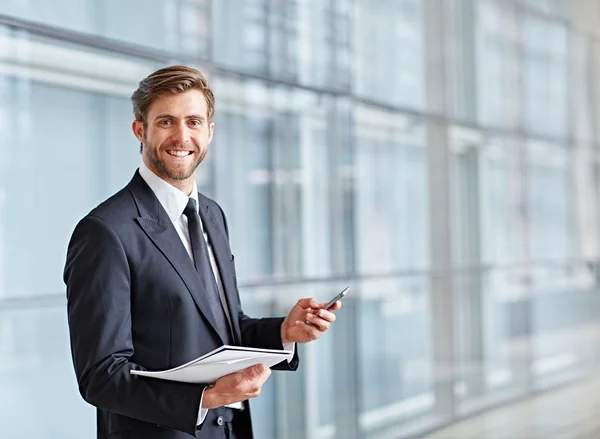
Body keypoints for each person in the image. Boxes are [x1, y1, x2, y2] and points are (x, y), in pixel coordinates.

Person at [63, 65, 341, 439]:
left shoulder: (211, 214)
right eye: (166, 122)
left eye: (194, 122)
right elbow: (101, 376)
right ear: (139, 130)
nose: (182, 136)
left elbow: (224, 328)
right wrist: (206, 397)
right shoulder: (104, 232)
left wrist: (284, 333)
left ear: (209, 132)